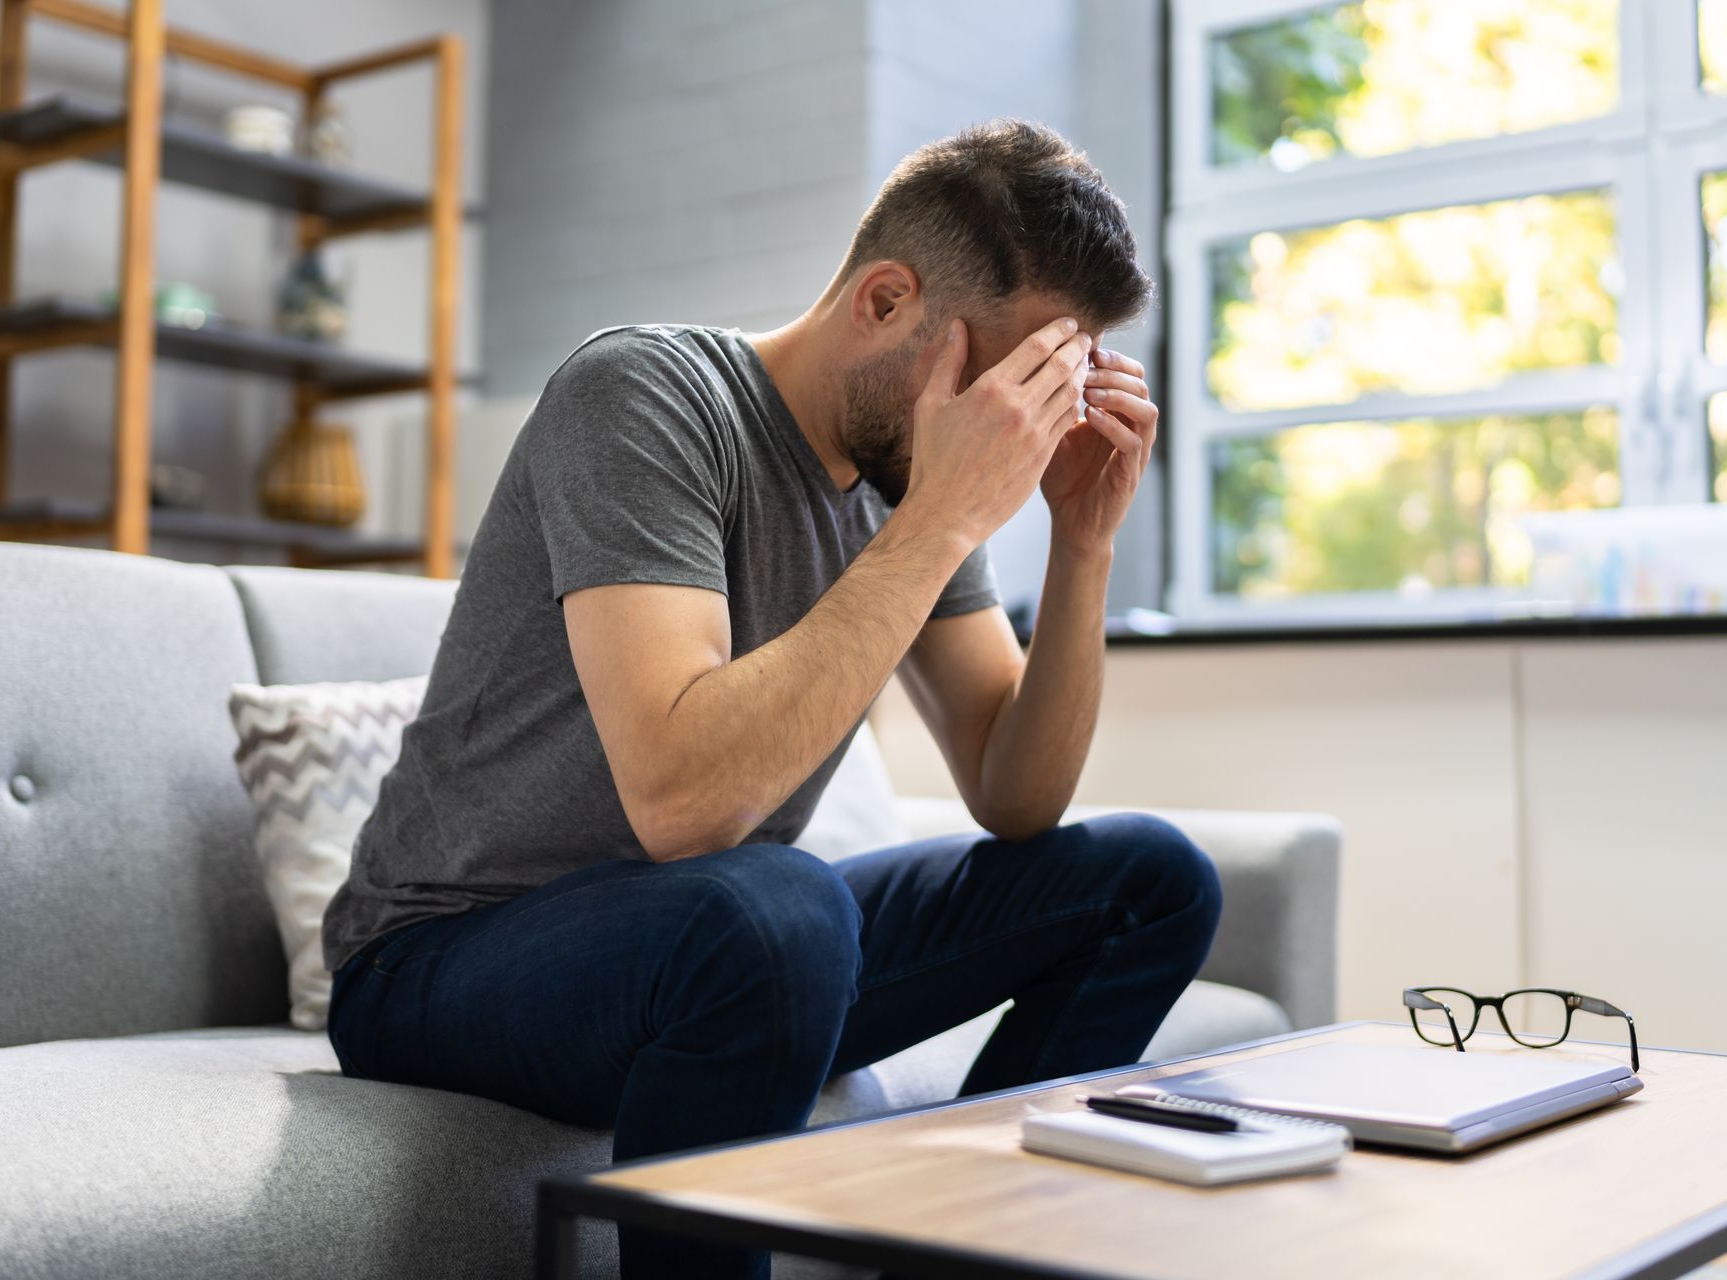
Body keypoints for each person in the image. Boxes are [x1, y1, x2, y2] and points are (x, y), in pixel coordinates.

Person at [320, 119, 1222, 1279]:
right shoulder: (646, 394)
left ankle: (954, 1258)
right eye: (1006, 385)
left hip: (708, 947)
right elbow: (684, 806)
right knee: (774, 907)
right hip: (441, 959)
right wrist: (944, 515)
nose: (1014, 431)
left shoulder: (912, 477)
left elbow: (1018, 796)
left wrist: (1083, 543)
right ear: (885, 301)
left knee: (1151, 878)